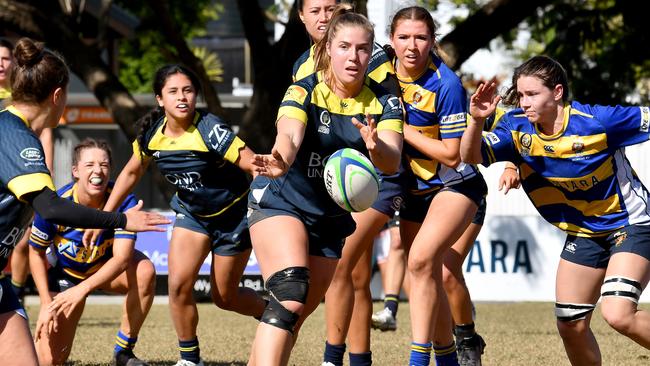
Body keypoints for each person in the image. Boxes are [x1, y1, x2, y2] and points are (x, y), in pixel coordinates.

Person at [461, 54, 650, 366]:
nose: (524, 102)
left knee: (618, 313)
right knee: (570, 324)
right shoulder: (516, 128)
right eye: (521, 95)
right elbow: (469, 156)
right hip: (584, 233)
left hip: (630, 223)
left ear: (558, 92)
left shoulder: (598, 121)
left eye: (532, 94)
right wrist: (477, 120)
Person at [247, 8, 403, 366]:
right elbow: (288, 134)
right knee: (290, 291)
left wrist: (376, 146)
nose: (354, 56)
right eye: (345, 46)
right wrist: (280, 158)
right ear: (328, 47)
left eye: (363, 48)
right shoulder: (304, 90)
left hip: (329, 218)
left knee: (291, 318)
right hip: (281, 200)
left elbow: (391, 161)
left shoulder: (385, 102)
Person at [83, 64, 266, 366]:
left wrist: (272, 165)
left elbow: (250, 162)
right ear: (159, 99)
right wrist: (103, 215)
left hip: (232, 217)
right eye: (173, 92)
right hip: (192, 216)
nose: (182, 97)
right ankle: (190, 359)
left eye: (188, 90)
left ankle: (271, 315)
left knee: (225, 297)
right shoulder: (152, 135)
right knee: (178, 286)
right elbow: (131, 171)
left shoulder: (210, 128)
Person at [0, 37, 167, 366]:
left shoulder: (13, 130)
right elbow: (50, 207)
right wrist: (120, 220)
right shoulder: (15, 135)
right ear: (58, 96)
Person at [294, 3, 406, 366]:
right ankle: (358, 358)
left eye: (331, 8)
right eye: (315, 10)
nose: (323, 16)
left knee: (343, 266)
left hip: (370, 172)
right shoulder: (302, 65)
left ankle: (334, 357)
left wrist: (375, 147)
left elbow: (389, 109)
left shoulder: (368, 57)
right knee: (353, 271)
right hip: (328, 178)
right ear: (301, 17)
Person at [388, 7, 490, 366]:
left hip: (457, 187)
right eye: (404, 37)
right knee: (427, 272)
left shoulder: (446, 84)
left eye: (420, 37)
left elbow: (450, 155)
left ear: (432, 40)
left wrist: (401, 126)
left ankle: (441, 351)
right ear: (391, 40)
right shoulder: (380, 72)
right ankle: (449, 357)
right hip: (415, 193)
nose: (412, 46)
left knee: (431, 265)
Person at [29, 138, 155, 366]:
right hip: (66, 278)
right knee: (49, 361)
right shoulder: (57, 204)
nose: (98, 170)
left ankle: (123, 352)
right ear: (75, 171)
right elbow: (35, 252)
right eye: (90, 165)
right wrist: (46, 304)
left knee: (144, 270)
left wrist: (84, 289)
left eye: (104, 165)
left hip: (105, 272)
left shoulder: (124, 200)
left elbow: (122, 258)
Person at [0, 38, 56, 304]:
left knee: (22, 239)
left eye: (5, 58)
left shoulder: (28, 100)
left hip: (26, 173)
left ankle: (15, 292)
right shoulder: (11, 119)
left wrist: (45, 171)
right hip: (11, 176)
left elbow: (43, 134)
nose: (0, 64)